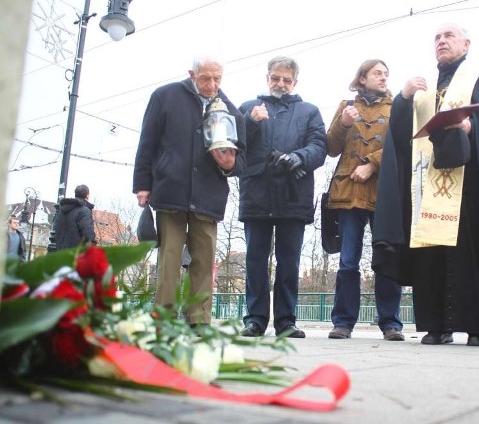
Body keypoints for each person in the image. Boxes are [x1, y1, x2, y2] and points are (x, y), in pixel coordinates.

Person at [372, 23, 479, 347]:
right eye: (437, 37)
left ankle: (478, 326)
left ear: (466, 44)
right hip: (428, 183)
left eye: (449, 36)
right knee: (431, 255)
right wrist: (402, 98)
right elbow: (401, 139)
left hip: (472, 184)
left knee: (470, 253)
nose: (442, 41)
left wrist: (472, 128)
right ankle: (436, 325)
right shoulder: (424, 88)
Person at [133, 54, 247, 327]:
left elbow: (243, 160)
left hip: (208, 196)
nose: (211, 84)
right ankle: (165, 320)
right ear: (192, 74)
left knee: (203, 261)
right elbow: (147, 141)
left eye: (217, 78)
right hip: (171, 190)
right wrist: (142, 184)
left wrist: (230, 165)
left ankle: (199, 322)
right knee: (169, 260)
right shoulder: (165, 96)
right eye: (205, 78)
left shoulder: (230, 111)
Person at [238, 56, 327, 338]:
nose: (280, 83)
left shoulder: (309, 111)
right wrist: (250, 123)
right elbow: (234, 144)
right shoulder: (249, 108)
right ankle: (255, 319)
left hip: (293, 194)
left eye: (286, 80)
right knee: (255, 260)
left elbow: (319, 147)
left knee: (290, 262)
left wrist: (298, 157)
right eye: (276, 78)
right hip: (256, 192)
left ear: (295, 82)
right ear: (267, 78)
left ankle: (286, 321)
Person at [325, 59, 404, 341]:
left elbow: (402, 145)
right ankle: (343, 322)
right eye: (377, 73)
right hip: (348, 193)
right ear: (362, 78)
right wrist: (344, 124)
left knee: (387, 258)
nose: (383, 77)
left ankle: (391, 323)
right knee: (348, 261)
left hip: (385, 193)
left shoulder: (397, 108)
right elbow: (331, 148)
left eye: (386, 73)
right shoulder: (347, 105)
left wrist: (372, 163)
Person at [54, 184, 97, 250]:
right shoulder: (84, 211)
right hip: (76, 254)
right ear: (87, 196)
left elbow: (56, 230)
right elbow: (88, 235)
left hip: (61, 253)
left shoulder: (61, 211)